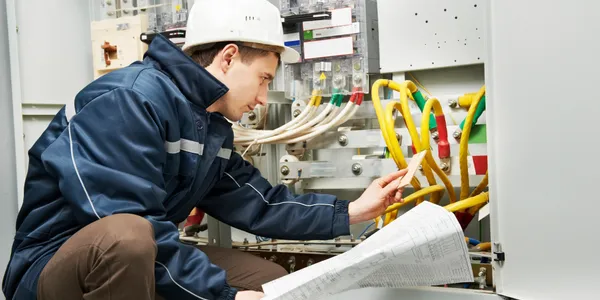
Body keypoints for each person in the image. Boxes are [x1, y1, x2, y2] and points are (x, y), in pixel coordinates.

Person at [2, 0, 408, 299]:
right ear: (229, 57)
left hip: (134, 260)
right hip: (51, 271)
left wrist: (354, 211)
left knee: (265, 280)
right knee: (128, 237)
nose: (264, 98)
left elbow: (258, 203)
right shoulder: (130, 100)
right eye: (264, 79)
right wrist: (222, 297)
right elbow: (126, 221)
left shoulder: (207, 125)